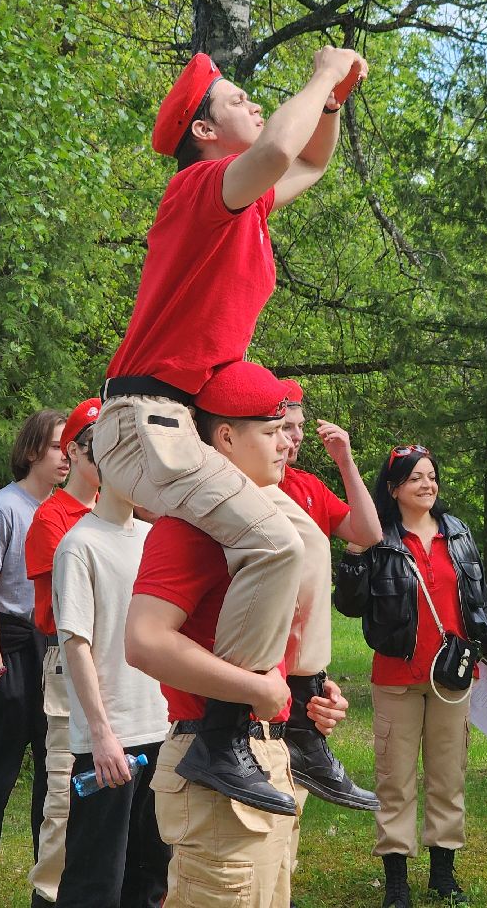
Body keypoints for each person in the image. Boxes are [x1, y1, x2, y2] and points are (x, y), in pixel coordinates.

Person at [93, 45, 366, 811]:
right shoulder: (197, 188)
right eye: (238, 98)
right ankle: (222, 731)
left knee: (308, 541)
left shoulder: (245, 204)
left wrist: (335, 100)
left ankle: (306, 724)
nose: (254, 105)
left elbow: (310, 160)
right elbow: (283, 144)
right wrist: (317, 73)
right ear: (205, 132)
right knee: (273, 542)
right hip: (145, 422)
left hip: (175, 424)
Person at [125, 361, 354, 908]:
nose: (286, 445)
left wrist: (303, 702)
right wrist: (257, 691)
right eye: (271, 432)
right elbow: (145, 641)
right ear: (225, 437)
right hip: (214, 773)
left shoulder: (259, 528)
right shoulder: (189, 529)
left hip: (266, 763)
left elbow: (259, 651)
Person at [333, 444, 487, 908]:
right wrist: (354, 551)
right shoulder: (379, 537)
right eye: (415, 478)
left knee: (448, 774)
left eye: (431, 476)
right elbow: (350, 605)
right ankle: (396, 878)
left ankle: (443, 874)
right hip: (397, 674)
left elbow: (478, 599)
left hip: (454, 675)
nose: (427, 485)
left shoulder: (456, 533)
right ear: (393, 489)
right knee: (394, 777)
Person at [50, 426, 169, 908]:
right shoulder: (79, 546)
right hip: (109, 743)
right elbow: (75, 645)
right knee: (96, 883)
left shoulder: (154, 538)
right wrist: (101, 734)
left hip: (162, 730)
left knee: (151, 880)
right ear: (97, 465)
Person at [0, 409, 69, 908]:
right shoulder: (0, 510)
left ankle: (44, 888)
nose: (66, 455)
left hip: (52, 650)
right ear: (31, 452)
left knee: (52, 781)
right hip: (8, 650)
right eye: (56, 446)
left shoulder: (68, 512)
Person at [276, 379, 382, 812]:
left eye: (299, 426)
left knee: (288, 823)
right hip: (264, 670)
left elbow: (368, 532)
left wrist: (346, 462)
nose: (296, 436)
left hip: (303, 671)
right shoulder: (237, 488)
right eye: (285, 426)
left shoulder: (306, 486)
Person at [22, 398, 103, 906]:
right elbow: (70, 610)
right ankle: (47, 896)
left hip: (119, 662)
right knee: (64, 798)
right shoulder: (53, 519)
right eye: (98, 449)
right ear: (73, 452)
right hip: (68, 663)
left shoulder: (128, 516)